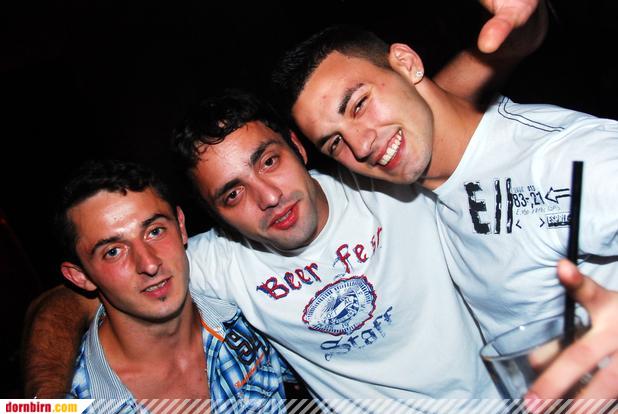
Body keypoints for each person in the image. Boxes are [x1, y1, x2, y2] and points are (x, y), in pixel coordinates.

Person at [22, 2, 547, 400]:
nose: (269, 198)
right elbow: (67, 301)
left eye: (268, 161)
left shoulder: (381, 176)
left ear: (298, 147)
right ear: (211, 216)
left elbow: (426, 100)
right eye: (233, 194)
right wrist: (43, 401)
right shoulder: (217, 261)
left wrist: (519, 32)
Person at [269, 20, 618, 400]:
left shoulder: (557, 161)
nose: (362, 144)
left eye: (359, 104)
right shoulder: (415, 187)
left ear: (407, 64)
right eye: (335, 142)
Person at [55, 160, 293, 412]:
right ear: (80, 276)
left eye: (155, 231)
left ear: (180, 226)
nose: (149, 264)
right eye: (113, 251)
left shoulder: (251, 322)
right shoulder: (68, 402)